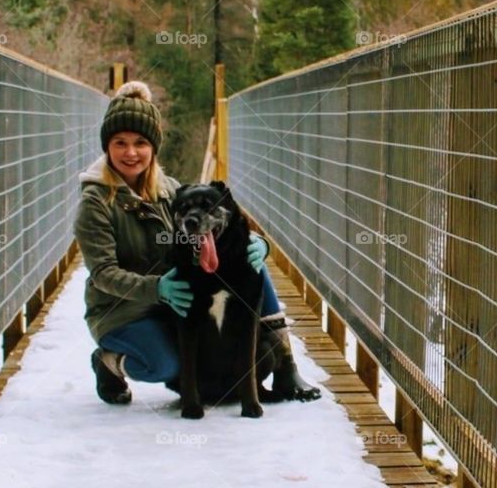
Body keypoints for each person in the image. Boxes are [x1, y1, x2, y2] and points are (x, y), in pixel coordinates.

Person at [73, 80, 322, 406]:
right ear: (107, 147)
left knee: (248, 261)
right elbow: (104, 273)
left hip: (170, 302)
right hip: (122, 310)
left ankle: (286, 365)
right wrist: (158, 288)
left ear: (153, 147)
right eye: (120, 143)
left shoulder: (169, 190)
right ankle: (108, 361)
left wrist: (259, 243)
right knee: (165, 365)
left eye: (140, 142)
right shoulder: (95, 203)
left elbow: (224, 220)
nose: (130, 153)